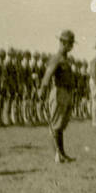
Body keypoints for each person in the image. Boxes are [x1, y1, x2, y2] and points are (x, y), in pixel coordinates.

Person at [39, 30, 78, 164]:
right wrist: (42, 90)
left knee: (60, 125)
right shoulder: (56, 58)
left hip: (66, 93)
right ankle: (57, 155)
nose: (71, 46)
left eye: (72, 43)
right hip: (58, 92)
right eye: (69, 43)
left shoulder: (65, 59)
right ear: (63, 43)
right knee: (55, 125)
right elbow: (47, 76)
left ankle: (62, 153)